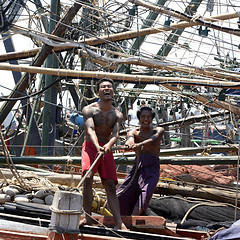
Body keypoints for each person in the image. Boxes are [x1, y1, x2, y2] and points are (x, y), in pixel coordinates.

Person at [79, 78, 127, 230]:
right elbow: (90, 130)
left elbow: (115, 134)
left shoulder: (118, 114)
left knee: (110, 185)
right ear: (98, 91)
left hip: (106, 147)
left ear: (113, 91)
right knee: (88, 177)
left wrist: (108, 145)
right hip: (90, 147)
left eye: (109, 87)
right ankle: (87, 217)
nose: (107, 89)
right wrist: (96, 145)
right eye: (103, 87)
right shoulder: (89, 109)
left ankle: (119, 222)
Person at [117, 106, 165, 216]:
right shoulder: (134, 132)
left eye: (148, 117)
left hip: (152, 168)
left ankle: (132, 221)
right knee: (124, 191)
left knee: (145, 193)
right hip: (138, 166)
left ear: (152, 118)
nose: (146, 119)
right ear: (139, 118)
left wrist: (141, 144)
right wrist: (130, 142)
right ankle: (122, 218)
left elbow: (154, 138)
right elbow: (130, 138)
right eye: (143, 117)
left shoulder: (158, 130)